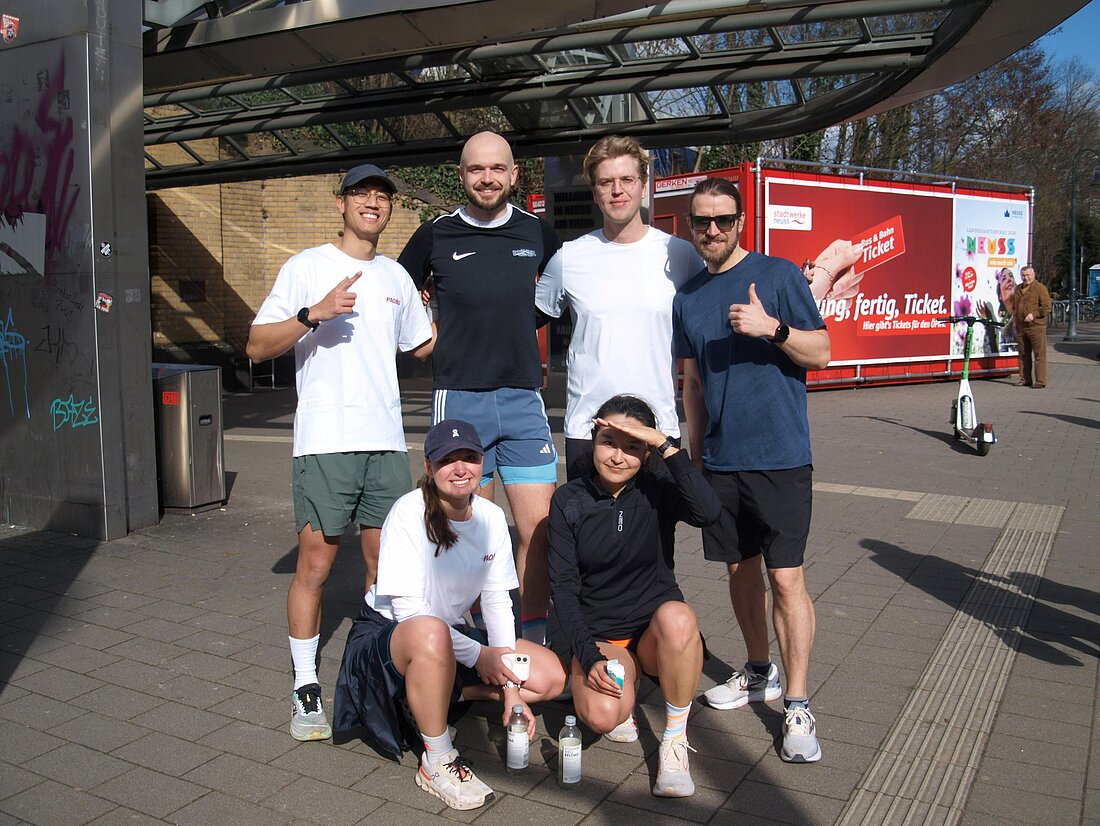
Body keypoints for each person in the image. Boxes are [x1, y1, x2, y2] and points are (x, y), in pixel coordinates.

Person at [247, 163, 435, 742]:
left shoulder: (396, 277)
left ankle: (379, 680)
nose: (373, 203)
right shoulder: (306, 267)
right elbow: (255, 346)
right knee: (317, 567)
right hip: (326, 444)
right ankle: (307, 689)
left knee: (386, 571)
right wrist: (313, 315)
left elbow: (422, 346)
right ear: (341, 204)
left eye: (382, 196)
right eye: (362, 195)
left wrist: (459, 304)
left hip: (384, 444)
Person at [672, 177, 831, 764]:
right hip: (720, 460)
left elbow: (822, 352)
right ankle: (758, 669)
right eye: (701, 222)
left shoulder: (781, 275)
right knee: (740, 571)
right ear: (690, 227)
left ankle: (796, 703)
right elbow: (691, 382)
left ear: (741, 221)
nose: (712, 230)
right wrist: (694, 452)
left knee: (787, 579)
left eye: (723, 220)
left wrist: (774, 330)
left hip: (781, 457)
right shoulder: (687, 297)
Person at [332, 419, 563, 811]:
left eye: (470, 458)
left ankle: (423, 697)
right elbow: (408, 613)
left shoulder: (490, 517)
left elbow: (495, 600)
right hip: (390, 637)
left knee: (549, 677)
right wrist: (478, 656)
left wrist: (510, 689)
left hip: (444, 637)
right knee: (431, 632)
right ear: (428, 466)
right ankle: (437, 760)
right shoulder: (407, 513)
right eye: (447, 459)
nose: (460, 469)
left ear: (482, 462)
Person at [399, 131, 561, 642]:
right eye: (475, 169)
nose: (487, 178)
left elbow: (558, 294)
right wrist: (426, 341)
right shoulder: (435, 234)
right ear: (461, 175)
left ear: (514, 175)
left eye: (497, 169)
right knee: (465, 531)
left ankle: (531, 636)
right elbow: (398, 294)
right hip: (459, 398)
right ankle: (464, 638)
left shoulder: (538, 233)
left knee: (540, 531)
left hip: (522, 400)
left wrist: (517, 323)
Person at [545, 395, 721, 797]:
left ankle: (674, 741)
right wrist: (587, 656)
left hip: (653, 634)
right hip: (604, 636)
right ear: (594, 440)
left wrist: (665, 445)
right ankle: (626, 687)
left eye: (632, 446)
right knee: (603, 716)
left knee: (679, 617)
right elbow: (565, 590)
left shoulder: (657, 489)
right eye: (609, 442)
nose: (618, 457)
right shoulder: (568, 500)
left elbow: (710, 513)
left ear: (647, 450)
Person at [535, 135, 702, 480]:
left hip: (657, 430)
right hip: (588, 429)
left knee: (655, 535)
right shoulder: (570, 258)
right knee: (588, 534)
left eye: (627, 180)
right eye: (606, 182)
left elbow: (713, 312)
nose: (617, 190)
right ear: (594, 192)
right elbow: (528, 317)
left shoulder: (680, 255)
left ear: (643, 186)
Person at [1012, 264, 1051, 388]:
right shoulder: (1018, 289)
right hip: (1021, 327)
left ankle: (1040, 381)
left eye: (1028, 275)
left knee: (1039, 355)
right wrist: (1015, 321)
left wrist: (1034, 315)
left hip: (1036, 327)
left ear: (1033, 275)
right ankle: (1024, 379)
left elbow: (1046, 307)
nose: (1026, 278)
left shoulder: (1040, 288)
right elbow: (1015, 307)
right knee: (1023, 354)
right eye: (1023, 275)